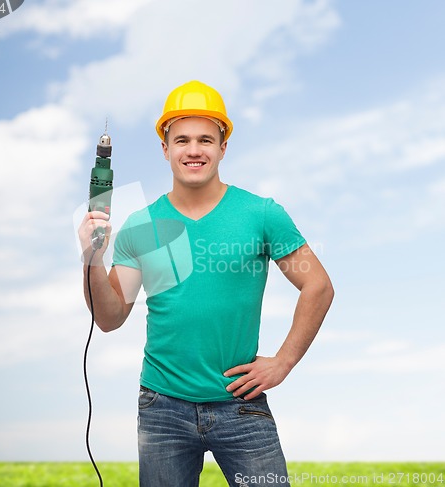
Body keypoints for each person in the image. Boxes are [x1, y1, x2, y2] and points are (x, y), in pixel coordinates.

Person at [78, 80, 334, 487]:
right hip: (162, 408)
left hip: (241, 405)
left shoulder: (261, 214)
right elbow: (109, 319)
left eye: (205, 139)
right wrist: (92, 259)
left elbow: (318, 286)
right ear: (165, 149)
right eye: (181, 140)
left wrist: (283, 361)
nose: (193, 150)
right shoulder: (141, 226)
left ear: (223, 146)